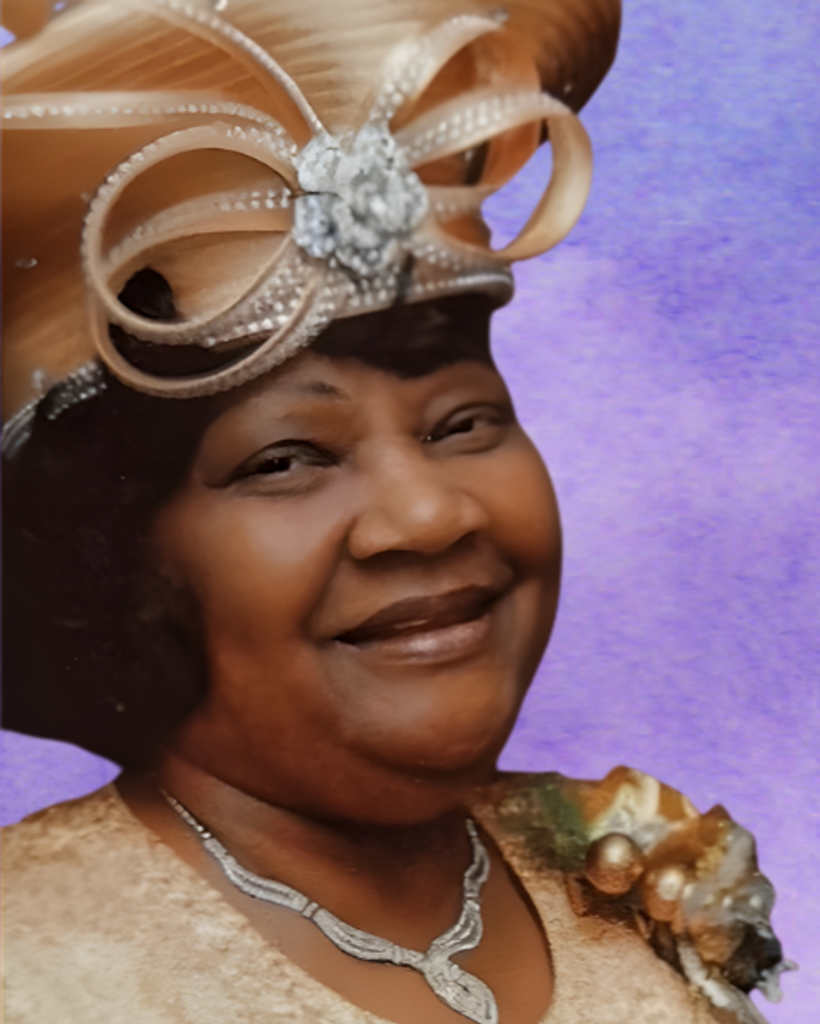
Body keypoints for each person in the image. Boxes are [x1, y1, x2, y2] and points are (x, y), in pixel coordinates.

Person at [1, 2, 793, 1023]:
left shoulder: (630, 869)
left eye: (463, 422)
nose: (427, 515)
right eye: (286, 459)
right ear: (112, 560)